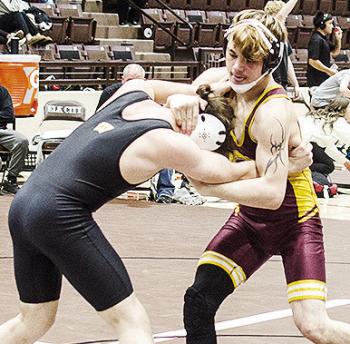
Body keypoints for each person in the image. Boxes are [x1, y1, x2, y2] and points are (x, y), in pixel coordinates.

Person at [0, 77, 266, 344]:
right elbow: (227, 172)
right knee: (132, 322)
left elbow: (197, 82)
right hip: (58, 214)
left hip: (24, 204)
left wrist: (187, 94)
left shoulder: (132, 93)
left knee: (34, 319)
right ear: (208, 135)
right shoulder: (170, 143)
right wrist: (277, 162)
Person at [162, 10, 350, 344]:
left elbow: (271, 194)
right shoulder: (225, 83)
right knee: (199, 300)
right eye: (232, 55)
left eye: (249, 60)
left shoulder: (273, 112)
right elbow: (156, 90)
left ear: (269, 62)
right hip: (250, 221)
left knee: (314, 326)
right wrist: (177, 98)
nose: (237, 67)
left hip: (294, 222)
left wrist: (210, 187)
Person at [300, 96, 350, 175]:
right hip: (303, 143)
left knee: (328, 164)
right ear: (342, 109)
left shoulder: (325, 118)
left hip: (300, 142)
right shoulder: (338, 121)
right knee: (328, 165)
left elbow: (328, 147)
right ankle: (300, 168)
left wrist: (345, 162)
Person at [264, 0, 300, 98]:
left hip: (282, 83)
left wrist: (295, 83)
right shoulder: (267, 32)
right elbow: (280, 17)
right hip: (269, 83)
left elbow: (287, 61)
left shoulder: (283, 36)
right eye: (285, 16)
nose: (285, 18)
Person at [0, 85, 29, 194]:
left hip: (1, 130)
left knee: (22, 141)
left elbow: (8, 115)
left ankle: (10, 180)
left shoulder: (2, 91)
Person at [307, 11, 342, 87]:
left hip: (323, 81)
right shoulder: (316, 39)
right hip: (317, 82)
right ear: (322, 25)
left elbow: (334, 53)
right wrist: (329, 71)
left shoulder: (323, 39)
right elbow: (312, 61)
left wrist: (338, 39)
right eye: (330, 23)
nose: (332, 26)